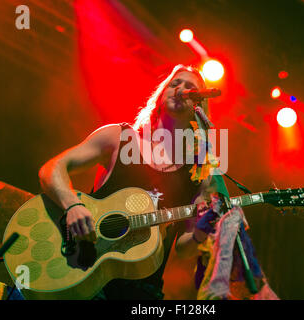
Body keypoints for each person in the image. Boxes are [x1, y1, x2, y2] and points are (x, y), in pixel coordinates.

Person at [38, 65, 218, 299]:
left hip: (140, 293)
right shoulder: (118, 137)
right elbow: (52, 169)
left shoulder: (199, 171)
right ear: (162, 94)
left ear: (199, 107)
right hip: (85, 272)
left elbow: (183, 248)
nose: (181, 89)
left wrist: (200, 233)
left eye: (191, 88)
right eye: (175, 84)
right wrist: (72, 205)